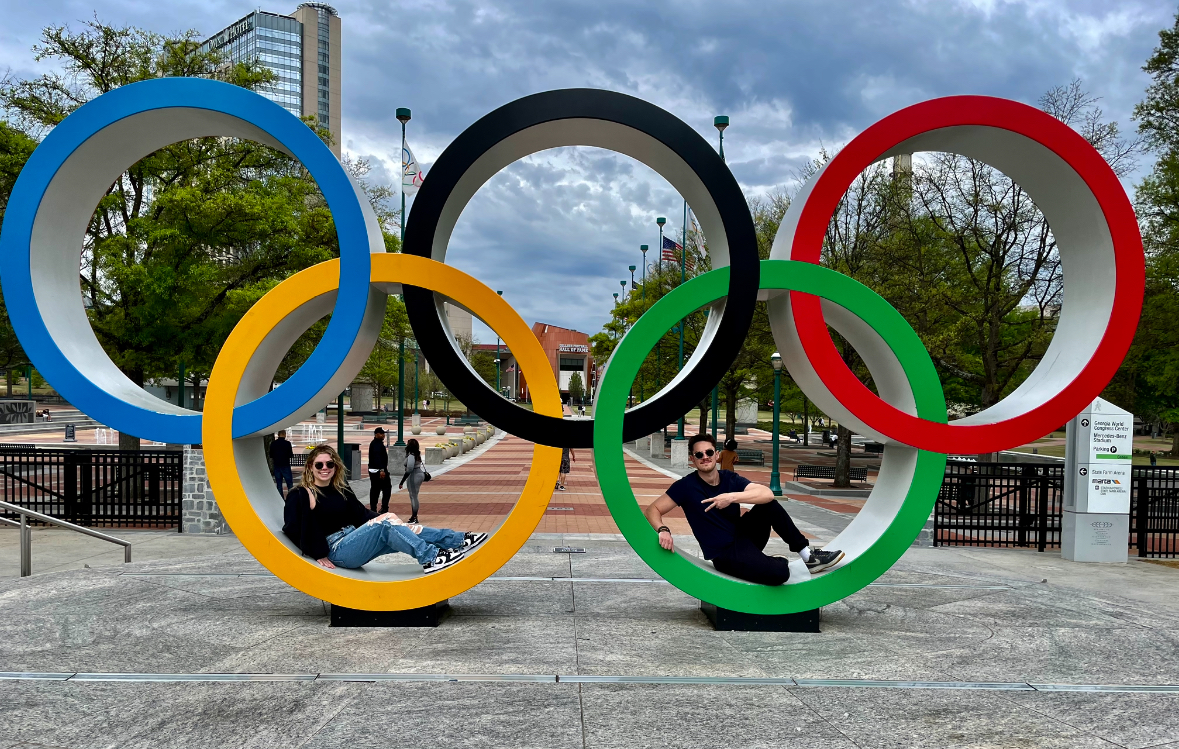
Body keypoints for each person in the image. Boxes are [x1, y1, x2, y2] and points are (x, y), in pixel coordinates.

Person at [644, 433, 843, 585]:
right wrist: (663, 530)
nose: (705, 457)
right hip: (725, 554)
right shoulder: (686, 486)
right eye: (699, 454)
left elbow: (767, 494)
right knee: (780, 573)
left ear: (717, 455)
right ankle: (767, 562)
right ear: (693, 460)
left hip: (745, 537)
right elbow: (653, 509)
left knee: (768, 506)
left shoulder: (731, 479)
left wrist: (731, 497)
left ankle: (808, 556)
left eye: (709, 452)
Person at [282, 444, 486, 573]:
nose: (324, 468)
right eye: (319, 465)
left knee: (402, 528)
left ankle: (457, 541)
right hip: (336, 550)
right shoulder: (301, 494)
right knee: (387, 523)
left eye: (329, 464)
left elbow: (362, 515)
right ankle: (431, 557)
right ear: (310, 467)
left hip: (354, 537)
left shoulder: (340, 489)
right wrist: (317, 552)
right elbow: (291, 528)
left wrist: (390, 518)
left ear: (336, 467)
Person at [399, 438, 424, 524]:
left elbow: (409, 469)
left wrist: (402, 481)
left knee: (413, 496)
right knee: (414, 495)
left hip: (414, 475)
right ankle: (414, 516)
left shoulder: (411, 456)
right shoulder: (417, 454)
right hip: (419, 474)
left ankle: (414, 517)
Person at [367, 427, 391, 514]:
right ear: (376, 434)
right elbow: (377, 458)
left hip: (375, 470)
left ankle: (374, 508)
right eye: (381, 434)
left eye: (383, 433)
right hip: (378, 471)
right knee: (385, 488)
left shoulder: (376, 443)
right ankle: (383, 507)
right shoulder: (376, 444)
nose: (383, 435)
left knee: (375, 489)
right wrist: (381, 470)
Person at [270, 430, 294, 495]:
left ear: (278, 435)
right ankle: (291, 497)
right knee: (289, 483)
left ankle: (281, 498)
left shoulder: (273, 443)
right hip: (285, 464)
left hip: (277, 465)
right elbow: (290, 455)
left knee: (279, 484)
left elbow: (271, 455)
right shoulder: (287, 443)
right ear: (284, 434)